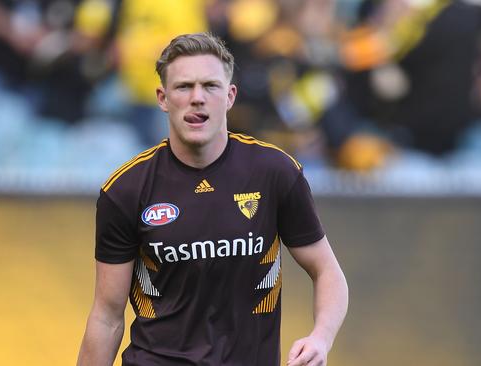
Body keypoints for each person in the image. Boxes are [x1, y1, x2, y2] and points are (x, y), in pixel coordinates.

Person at [77, 32, 348, 366]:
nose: (197, 98)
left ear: (230, 95)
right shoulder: (126, 190)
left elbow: (328, 272)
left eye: (210, 86)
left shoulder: (275, 172)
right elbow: (107, 316)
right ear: (163, 98)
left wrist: (321, 338)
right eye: (183, 87)